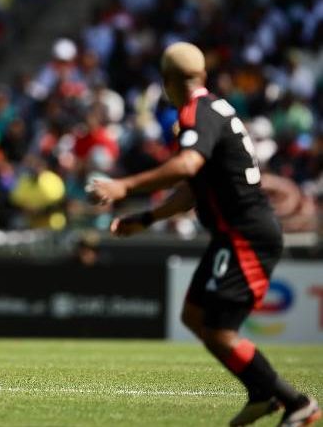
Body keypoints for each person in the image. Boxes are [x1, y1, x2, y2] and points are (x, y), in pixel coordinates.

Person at [87, 42, 320, 427]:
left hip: (246, 234)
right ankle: (263, 394)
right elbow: (194, 187)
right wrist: (148, 218)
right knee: (195, 315)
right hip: (238, 233)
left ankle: (296, 403)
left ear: (167, 83)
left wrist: (125, 187)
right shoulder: (216, 109)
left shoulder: (198, 112)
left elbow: (187, 163)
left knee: (218, 331)